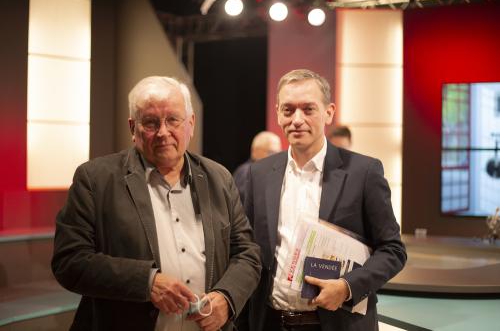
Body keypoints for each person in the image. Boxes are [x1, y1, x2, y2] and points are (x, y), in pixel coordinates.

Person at [51, 76, 261, 331]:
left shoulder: (219, 178)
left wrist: (227, 298)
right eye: (150, 122)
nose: (163, 132)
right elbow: (69, 261)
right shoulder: (95, 179)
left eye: (173, 119)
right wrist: (147, 282)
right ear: (132, 128)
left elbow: (246, 253)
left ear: (190, 124)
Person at [242, 69, 406, 331]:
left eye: (308, 109)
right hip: (272, 323)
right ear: (277, 112)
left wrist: (347, 287)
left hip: (338, 324)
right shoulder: (259, 174)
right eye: (288, 110)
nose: (297, 119)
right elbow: (248, 250)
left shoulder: (363, 173)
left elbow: (393, 251)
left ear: (328, 112)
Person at [233, 131, 282, 203]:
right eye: (271, 152)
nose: (276, 158)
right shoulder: (246, 172)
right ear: (255, 151)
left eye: (279, 154)